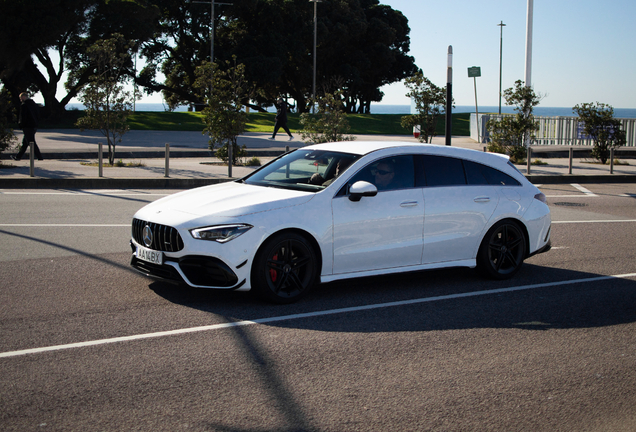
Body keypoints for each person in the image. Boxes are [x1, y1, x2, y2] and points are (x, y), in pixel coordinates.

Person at [12, 92, 43, 161]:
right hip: (34, 125)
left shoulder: (24, 105)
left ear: (23, 97)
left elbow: (23, 116)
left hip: (27, 126)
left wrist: (21, 124)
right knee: (25, 142)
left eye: (20, 98)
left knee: (31, 142)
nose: (20, 100)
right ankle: (18, 157)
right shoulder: (34, 105)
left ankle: (40, 157)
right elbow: (38, 115)